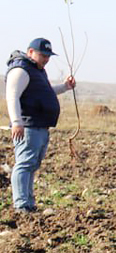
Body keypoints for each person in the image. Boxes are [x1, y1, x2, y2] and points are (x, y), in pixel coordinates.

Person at [5, 38, 76, 213]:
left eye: (48, 56)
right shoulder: (21, 70)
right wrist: (16, 122)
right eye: (43, 55)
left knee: (32, 164)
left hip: (40, 126)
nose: (46, 59)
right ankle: (21, 204)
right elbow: (12, 96)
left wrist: (65, 87)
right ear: (30, 52)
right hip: (28, 126)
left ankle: (28, 202)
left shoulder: (38, 71)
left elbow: (45, 92)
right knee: (24, 164)